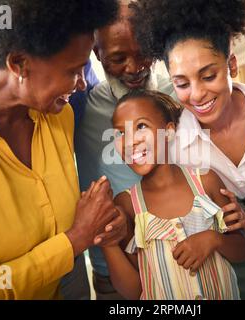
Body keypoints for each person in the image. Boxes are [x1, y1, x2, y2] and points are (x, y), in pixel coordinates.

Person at [130, 0, 245, 299]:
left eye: (208, 76)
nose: (197, 94)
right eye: (181, 83)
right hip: (231, 265)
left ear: (231, 64)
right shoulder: (176, 147)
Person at [0, 0, 126, 300]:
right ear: (18, 64)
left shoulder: (58, 112)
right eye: (73, 71)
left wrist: (104, 224)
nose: (83, 84)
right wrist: (75, 240)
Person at [102, 89, 245, 300]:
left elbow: (242, 251)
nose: (129, 141)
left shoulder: (206, 182)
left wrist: (214, 239)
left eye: (141, 126)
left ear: (169, 132)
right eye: (120, 133)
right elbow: (135, 291)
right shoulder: (126, 204)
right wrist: (107, 243)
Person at [74, 0, 174, 299]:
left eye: (142, 52)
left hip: (185, 262)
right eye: (117, 58)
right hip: (114, 275)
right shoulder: (81, 107)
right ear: (96, 54)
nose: (133, 68)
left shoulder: (180, 94)